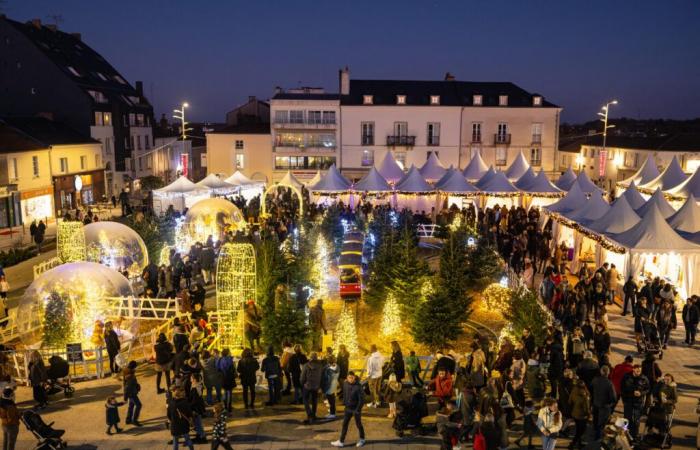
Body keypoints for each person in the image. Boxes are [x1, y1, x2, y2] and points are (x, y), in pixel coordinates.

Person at [331, 371, 366, 448]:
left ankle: (362, 439)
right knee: (344, 424)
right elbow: (345, 393)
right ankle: (341, 441)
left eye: (352, 377)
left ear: (354, 377)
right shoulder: (345, 384)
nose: (351, 379)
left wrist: (358, 410)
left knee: (358, 424)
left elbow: (362, 400)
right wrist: (345, 403)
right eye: (349, 377)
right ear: (347, 378)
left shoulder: (358, 387)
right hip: (348, 408)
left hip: (355, 410)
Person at [621, 364, 650, 441]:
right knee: (626, 419)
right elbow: (623, 388)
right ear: (633, 369)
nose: (639, 372)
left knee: (636, 420)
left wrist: (641, 393)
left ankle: (635, 435)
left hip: (638, 402)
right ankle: (624, 433)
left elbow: (647, 389)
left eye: (640, 371)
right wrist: (629, 395)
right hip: (628, 401)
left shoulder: (644, 378)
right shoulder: (626, 377)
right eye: (637, 371)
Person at [591, 365, 616, 441]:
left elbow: (591, 389)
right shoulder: (609, 383)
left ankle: (595, 433)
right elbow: (613, 397)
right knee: (601, 423)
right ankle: (597, 438)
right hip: (605, 406)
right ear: (608, 373)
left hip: (595, 403)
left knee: (595, 420)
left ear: (601, 372)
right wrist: (610, 403)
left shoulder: (595, 380)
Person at [301, 352, 324, 424]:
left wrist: (303, 384)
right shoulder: (320, 366)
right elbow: (321, 376)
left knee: (305, 399)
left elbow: (302, 377)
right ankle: (313, 414)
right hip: (316, 385)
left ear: (310, 357)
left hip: (307, 385)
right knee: (314, 400)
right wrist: (320, 385)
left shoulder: (306, 365)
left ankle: (309, 413)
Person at [568, 379, 590, 449]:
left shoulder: (574, 390)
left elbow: (569, 402)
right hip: (582, 416)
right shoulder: (585, 396)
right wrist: (589, 415)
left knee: (578, 429)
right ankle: (572, 445)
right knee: (581, 431)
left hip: (575, 414)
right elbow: (586, 409)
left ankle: (579, 444)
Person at [123, 361, 142, 426]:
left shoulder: (127, 372)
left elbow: (125, 385)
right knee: (139, 405)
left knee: (131, 406)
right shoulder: (131, 376)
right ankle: (134, 420)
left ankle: (128, 419)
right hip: (132, 393)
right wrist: (125, 398)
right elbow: (127, 387)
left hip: (131, 393)